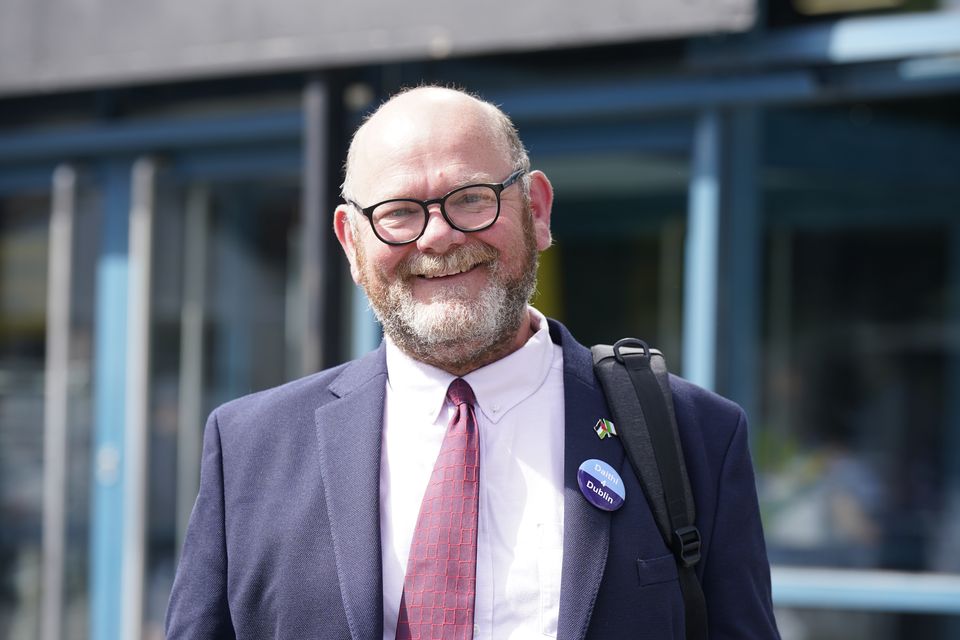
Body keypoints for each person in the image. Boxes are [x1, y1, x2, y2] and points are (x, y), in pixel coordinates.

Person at [166, 85, 780, 639]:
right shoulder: (250, 449)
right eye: (399, 212)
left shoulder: (691, 433)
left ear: (535, 211)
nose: (437, 237)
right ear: (352, 243)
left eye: (470, 198)